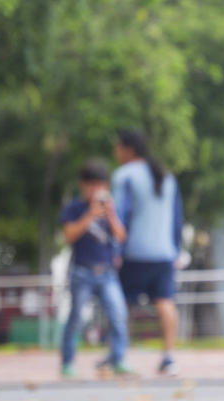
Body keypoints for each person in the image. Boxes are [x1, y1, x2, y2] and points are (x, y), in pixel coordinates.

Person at [112, 129, 186, 375]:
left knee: (121, 304)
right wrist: (175, 249)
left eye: (117, 147)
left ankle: (118, 354)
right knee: (165, 302)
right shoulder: (166, 175)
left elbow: (119, 215)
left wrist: (115, 250)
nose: (115, 152)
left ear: (128, 149)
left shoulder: (124, 175)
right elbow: (176, 217)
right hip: (164, 253)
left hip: (134, 252)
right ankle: (169, 356)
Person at [62, 159, 132, 378]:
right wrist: (90, 214)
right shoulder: (74, 208)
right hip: (82, 272)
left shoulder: (110, 209)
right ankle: (67, 362)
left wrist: (110, 215)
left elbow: (121, 236)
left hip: (107, 272)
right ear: (83, 185)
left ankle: (118, 359)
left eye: (100, 185)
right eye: (91, 185)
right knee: (75, 318)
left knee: (118, 315)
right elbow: (69, 236)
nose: (96, 190)